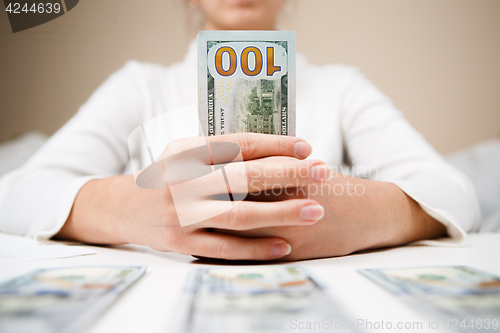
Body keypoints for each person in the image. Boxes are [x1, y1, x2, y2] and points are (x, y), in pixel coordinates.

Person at [0, 0, 480, 261]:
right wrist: (132, 208)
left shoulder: (341, 88)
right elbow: (14, 194)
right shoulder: (140, 85)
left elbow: (457, 192)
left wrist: (361, 213)